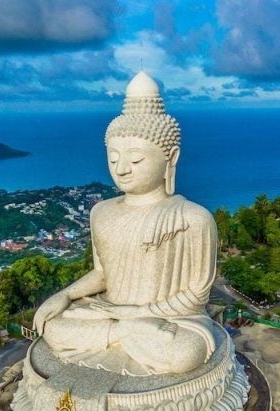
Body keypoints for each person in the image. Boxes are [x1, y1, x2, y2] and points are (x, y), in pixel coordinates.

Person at [32, 72, 218, 376]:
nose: (122, 169)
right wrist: (64, 294)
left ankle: (120, 331)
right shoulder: (101, 212)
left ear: (171, 158)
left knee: (185, 352)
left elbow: (196, 296)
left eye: (136, 159)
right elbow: (103, 273)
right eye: (113, 157)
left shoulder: (192, 218)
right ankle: (121, 333)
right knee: (53, 327)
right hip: (110, 310)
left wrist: (138, 313)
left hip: (170, 320)